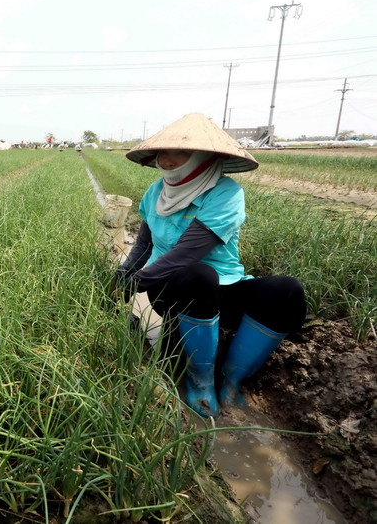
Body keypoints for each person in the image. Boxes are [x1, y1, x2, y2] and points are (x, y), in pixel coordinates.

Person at [114, 113, 306, 418]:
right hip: (172, 289)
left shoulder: (226, 193)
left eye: (182, 152)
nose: (169, 160)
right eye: (164, 152)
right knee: (196, 276)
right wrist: (123, 275)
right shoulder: (154, 194)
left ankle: (231, 380)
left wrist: (140, 279)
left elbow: (188, 251)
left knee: (286, 290)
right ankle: (200, 380)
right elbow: (144, 244)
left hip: (222, 286)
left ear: (205, 157)